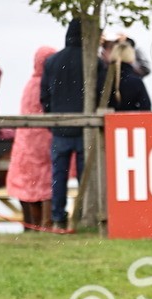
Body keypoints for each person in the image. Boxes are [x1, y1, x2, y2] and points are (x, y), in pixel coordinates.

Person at [42, 18, 107, 230]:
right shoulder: (94, 62)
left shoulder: (51, 62)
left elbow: (44, 96)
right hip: (85, 128)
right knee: (84, 176)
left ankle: (58, 218)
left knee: (58, 177)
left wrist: (53, 120)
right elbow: (102, 94)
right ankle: (84, 216)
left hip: (60, 128)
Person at [6, 46, 56, 232]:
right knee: (46, 183)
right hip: (44, 140)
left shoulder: (30, 85)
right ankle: (46, 223)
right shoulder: (48, 84)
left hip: (25, 143)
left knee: (26, 184)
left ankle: (29, 224)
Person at [105, 41, 152, 112]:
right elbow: (146, 107)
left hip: (105, 122)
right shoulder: (136, 82)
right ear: (131, 59)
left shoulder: (103, 78)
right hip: (132, 122)